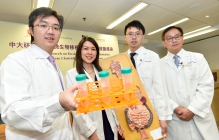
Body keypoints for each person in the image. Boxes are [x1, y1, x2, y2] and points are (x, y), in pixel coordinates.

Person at [0, 7, 78, 140]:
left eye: (56, 27)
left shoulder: (52, 63)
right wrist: (58, 103)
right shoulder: (16, 61)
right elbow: (12, 113)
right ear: (31, 30)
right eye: (43, 25)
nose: (50, 31)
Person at [161, 26, 219, 140]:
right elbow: (159, 91)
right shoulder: (159, 64)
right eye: (169, 38)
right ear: (164, 43)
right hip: (175, 117)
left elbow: (206, 85)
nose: (174, 40)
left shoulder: (198, 58)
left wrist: (192, 109)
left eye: (177, 36)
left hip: (199, 114)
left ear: (182, 38)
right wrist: (175, 107)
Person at [66, 36, 123, 140]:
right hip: (88, 127)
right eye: (86, 48)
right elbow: (75, 108)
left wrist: (118, 122)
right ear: (80, 51)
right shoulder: (72, 74)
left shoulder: (102, 72)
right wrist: (90, 133)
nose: (90, 52)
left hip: (108, 123)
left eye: (93, 49)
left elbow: (110, 100)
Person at [123, 20, 172, 136]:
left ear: (143, 36)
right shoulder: (122, 60)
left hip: (151, 110)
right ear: (125, 37)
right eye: (130, 34)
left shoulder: (153, 57)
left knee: (153, 137)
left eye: (137, 34)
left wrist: (162, 117)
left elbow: (160, 88)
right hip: (130, 112)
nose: (134, 37)